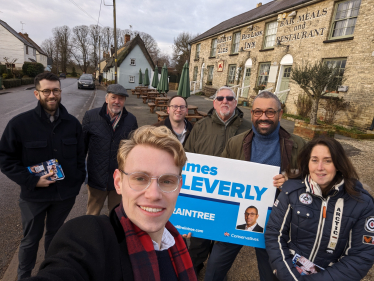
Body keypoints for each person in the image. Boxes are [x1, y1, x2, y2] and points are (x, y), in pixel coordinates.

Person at [25, 126, 197, 281]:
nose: (153, 194)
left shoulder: (178, 245)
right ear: (118, 182)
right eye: (139, 178)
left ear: (179, 186)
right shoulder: (91, 238)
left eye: (167, 181)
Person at [204, 91, 305, 281]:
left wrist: (292, 181)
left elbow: (311, 180)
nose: (263, 117)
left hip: (275, 220)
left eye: (270, 112)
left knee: (271, 274)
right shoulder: (235, 143)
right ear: (252, 114)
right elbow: (219, 178)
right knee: (214, 270)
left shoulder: (298, 145)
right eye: (258, 112)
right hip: (235, 216)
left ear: (280, 114)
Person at [0, 72, 86, 280]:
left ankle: (49, 274)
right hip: (34, 196)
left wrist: (76, 183)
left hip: (64, 196)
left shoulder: (72, 124)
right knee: (30, 239)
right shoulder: (19, 124)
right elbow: (5, 159)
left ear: (60, 92)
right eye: (46, 91)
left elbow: (79, 156)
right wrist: (31, 180)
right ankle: (24, 276)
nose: (51, 95)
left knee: (56, 238)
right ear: (36, 94)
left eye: (55, 90)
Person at [265, 136, 374, 281]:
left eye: (328, 161)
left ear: (338, 163)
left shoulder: (362, 202)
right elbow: (274, 235)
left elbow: (361, 256)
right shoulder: (291, 192)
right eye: (314, 160)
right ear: (307, 162)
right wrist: (290, 277)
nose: (320, 167)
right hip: (288, 274)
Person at [184, 86, 252, 274]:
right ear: (214, 103)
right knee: (198, 242)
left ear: (236, 103)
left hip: (233, 197)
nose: (225, 101)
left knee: (224, 243)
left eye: (229, 98)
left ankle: (216, 273)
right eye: (220, 98)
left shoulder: (249, 129)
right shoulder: (201, 126)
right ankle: (192, 271)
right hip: (204, 196)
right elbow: (188, 158)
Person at [83, 84, 138, 216]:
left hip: (119, 179)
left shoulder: (131, 120)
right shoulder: (91, 116)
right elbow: (82, 147)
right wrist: (80, 171)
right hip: (96, 177)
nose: (117, 101)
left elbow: (134, 150)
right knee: (92, 213)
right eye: (114, 97)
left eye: (121, 99)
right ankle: (91, 236)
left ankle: (114, 237)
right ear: (107, 98)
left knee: (117, 215)